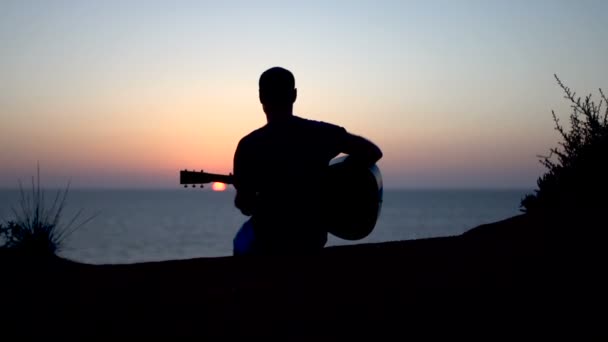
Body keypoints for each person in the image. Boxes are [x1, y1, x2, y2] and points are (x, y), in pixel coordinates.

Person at [232, 67, 382, 255]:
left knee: (240, 242)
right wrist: (334, 181)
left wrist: (249, 193)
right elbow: (372, 152)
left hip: (269, 246)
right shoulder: (320, 133)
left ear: (261, 97)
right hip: (311, 241)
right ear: (294, 95)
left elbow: (246, 206)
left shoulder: (249, 146)